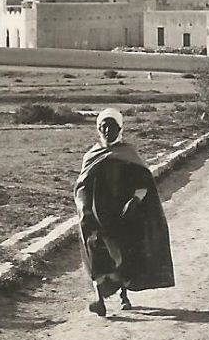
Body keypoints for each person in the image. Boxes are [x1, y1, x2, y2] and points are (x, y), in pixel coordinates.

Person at [74, 108, 174, 316]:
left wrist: (135, 201)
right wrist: (84, 210)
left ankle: (123, 295)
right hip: (97, 213)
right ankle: (99, 299)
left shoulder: (128, 154)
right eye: (104, 127)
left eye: (112, 127)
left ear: (120, 128)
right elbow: (82, 187)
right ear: (98, 129)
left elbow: (144, 182)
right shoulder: (92, 156)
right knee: (95, 252)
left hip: (123, 213)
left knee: (124, 252)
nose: (108, 131)